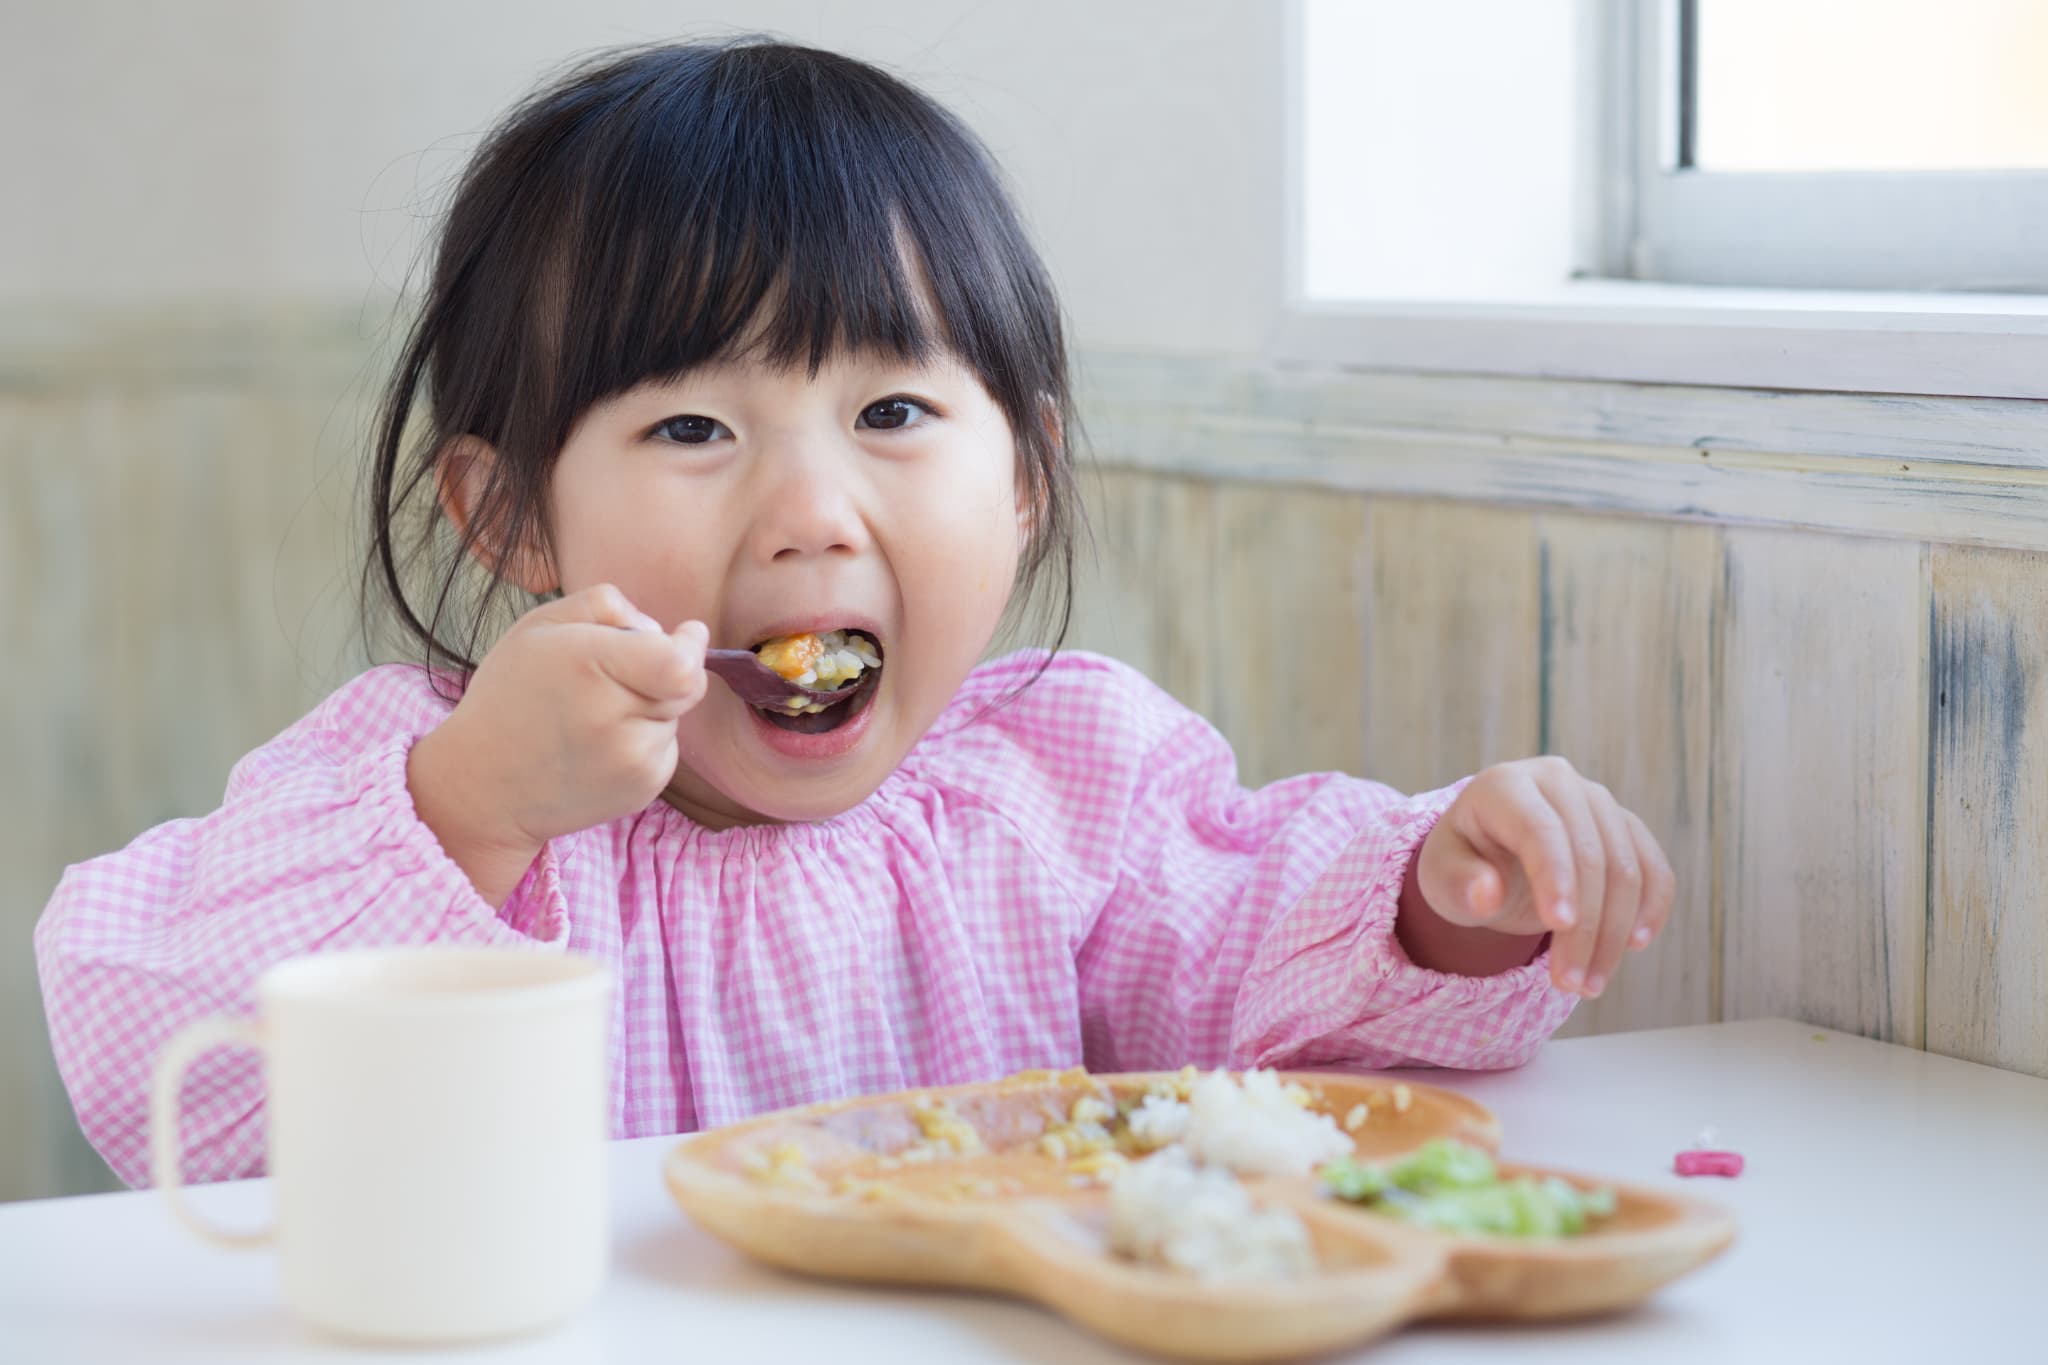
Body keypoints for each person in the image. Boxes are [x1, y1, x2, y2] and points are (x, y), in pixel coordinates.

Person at [36, 40, 1673, 1187]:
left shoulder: (1056, 789)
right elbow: (158, 1068)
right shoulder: (433, 784)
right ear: (510, 512)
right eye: (692, 428)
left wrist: (1450, 894)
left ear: (1023, 480)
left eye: (893, 413)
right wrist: (472, 810)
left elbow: (1271, 970)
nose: (813, 511)